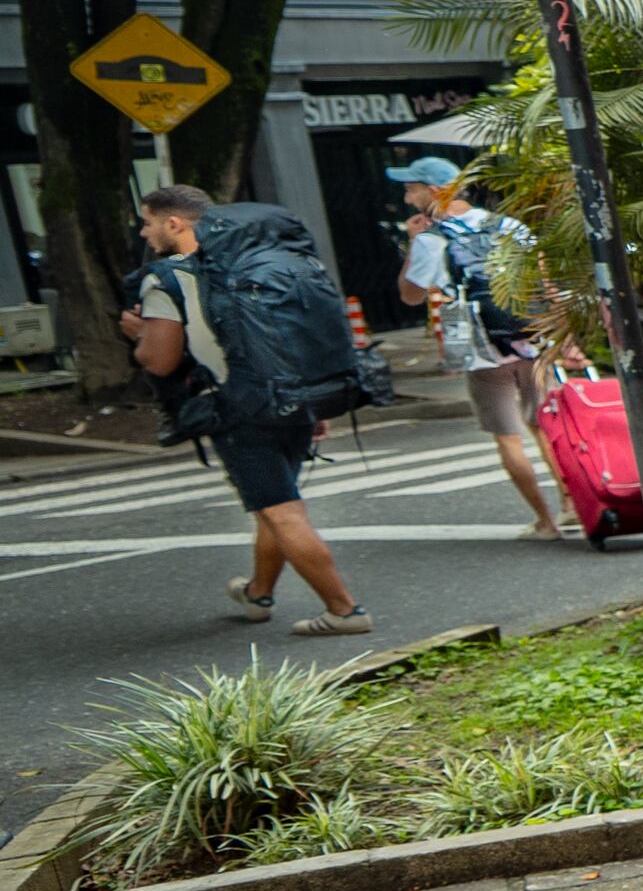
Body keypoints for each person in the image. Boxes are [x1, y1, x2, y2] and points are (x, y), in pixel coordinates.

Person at [122, 180, 371, 637]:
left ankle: (345, 611)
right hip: (299, 397)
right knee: (274, 503)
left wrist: (138, 334)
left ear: (174, 223)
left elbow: (160, 359)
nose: (143, 233)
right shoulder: (273, 262)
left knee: (281, 511)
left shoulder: (169, 277)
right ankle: (258, 594)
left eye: (148, 222)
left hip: (240, 407)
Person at [397, 154, 567, 537]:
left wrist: (413, 244)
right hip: (532, 339)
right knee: (545, 428)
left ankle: (546, 521)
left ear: (436, 192)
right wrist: (565, 337)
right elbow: (544, 280)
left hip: (482, 350)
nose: (408, 200)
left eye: (412, 190)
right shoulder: (509, 224)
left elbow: (410, 295)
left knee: (508, 437)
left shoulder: (430, 240)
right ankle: (572, 504)